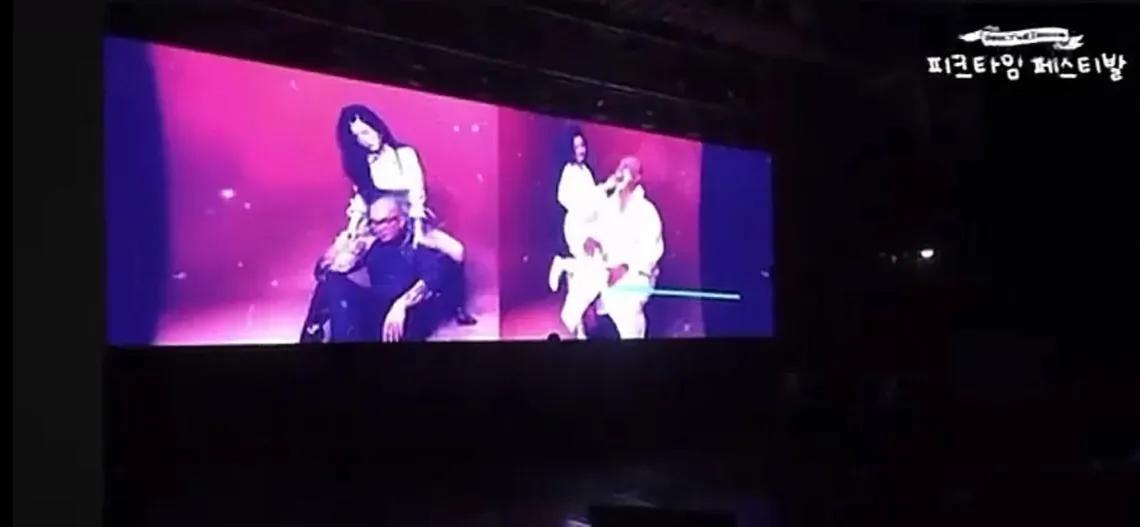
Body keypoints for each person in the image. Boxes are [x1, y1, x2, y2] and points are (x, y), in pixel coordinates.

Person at [335, 104, 477, 326]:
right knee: (340, 261)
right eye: (357, 137)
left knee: (457, 250)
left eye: (366, 131)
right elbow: (362, 200)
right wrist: (352, 231)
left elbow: (417, 194)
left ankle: (457, 305)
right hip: (380, 225)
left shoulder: (405, 155)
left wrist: (418, 233)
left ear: (377, 127)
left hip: (410, 222)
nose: (365, 139)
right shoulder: (362, 165)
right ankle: (335, 313)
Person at [306, 194, 451, 343]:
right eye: (373, 223)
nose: (377, 228)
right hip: (377, 311)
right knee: (333, 281)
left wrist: (400, 305)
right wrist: (339, 250)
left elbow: (430, 282)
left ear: (400, 221)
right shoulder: (375, 245)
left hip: (405, 318)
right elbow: (322, 273)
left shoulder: (418, 244)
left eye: (382, 222)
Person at [547, 128, 619, 338]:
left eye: (583, 145)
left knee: (586, 274)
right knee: (590, 269)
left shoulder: (584, 170)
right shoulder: (569, 172)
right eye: (576, 146)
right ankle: (564, 265)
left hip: (589, 225)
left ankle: (580, 325)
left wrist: (605, 189)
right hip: (578, 228)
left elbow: (592, 200)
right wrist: (604, 188)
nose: (581, 150)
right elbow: (574, 201)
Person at [592, 156, 663, 339]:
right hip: (607, 270)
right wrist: (592, 241)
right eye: (621, 166)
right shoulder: (608, 206)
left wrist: (624, 268)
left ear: (637, 177)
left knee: (627, 310)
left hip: (635, 274)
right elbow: (597, 230)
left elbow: (650, 251)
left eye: (628, 168)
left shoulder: (647, 211)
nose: (622, 171)